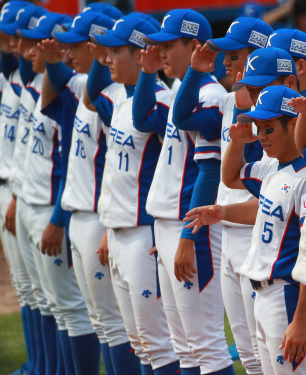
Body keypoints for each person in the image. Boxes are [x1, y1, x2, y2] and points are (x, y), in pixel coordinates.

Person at [185, 85, 306, 375]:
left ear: (293, 125)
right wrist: (222, 210)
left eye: (269, 128)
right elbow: (232, 177)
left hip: (287, 294)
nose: (261, 135)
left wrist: (300, 317)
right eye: (258, 127)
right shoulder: (271, 167)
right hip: (263, 295)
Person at [137, 8, 235, 375]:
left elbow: (208, 175)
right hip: (169, 226)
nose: (161, 52)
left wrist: (187, 236)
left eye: (169, 45)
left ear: (194, 47)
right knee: (184, 348)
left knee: (205, 345)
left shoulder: (209, 95)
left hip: (191, 226)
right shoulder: (183, 90)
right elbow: (144, 117)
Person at [85, 13, 180, 375]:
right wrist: (110, 229)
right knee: (140, 343)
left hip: (145, 236)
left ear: (142, 54)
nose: (107, 59)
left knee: (160, 344)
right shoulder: (123, 100)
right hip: (119, 233)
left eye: (114, 52)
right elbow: (93, 96)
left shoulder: (162, 103)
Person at [17, 10, 106, 375]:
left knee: (87, 315)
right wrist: (52, 60)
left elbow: (69, 163)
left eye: (75, 46)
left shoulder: (105, 96)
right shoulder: (78, 88)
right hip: (69, 209)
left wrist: (58, 216)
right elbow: (45, 75)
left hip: (89, 214)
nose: (67, 54)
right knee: (62, 306)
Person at [197, 16, 273, 375]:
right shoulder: (231, 103)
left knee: (270, 354)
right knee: (249, 354)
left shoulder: (279, 129)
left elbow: (261, 196)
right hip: (229, 229)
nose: (225, 62)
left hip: (256, 238)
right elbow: (231, 176)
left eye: (234, 54)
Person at [0, 3, 40, 374]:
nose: (14, 44)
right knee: (26, 288)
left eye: (22, 37)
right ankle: (37, 364)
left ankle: (46, 367)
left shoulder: (35, 82)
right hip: (13, 187)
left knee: (53, 300)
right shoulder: (13, 78)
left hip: (29, 194)